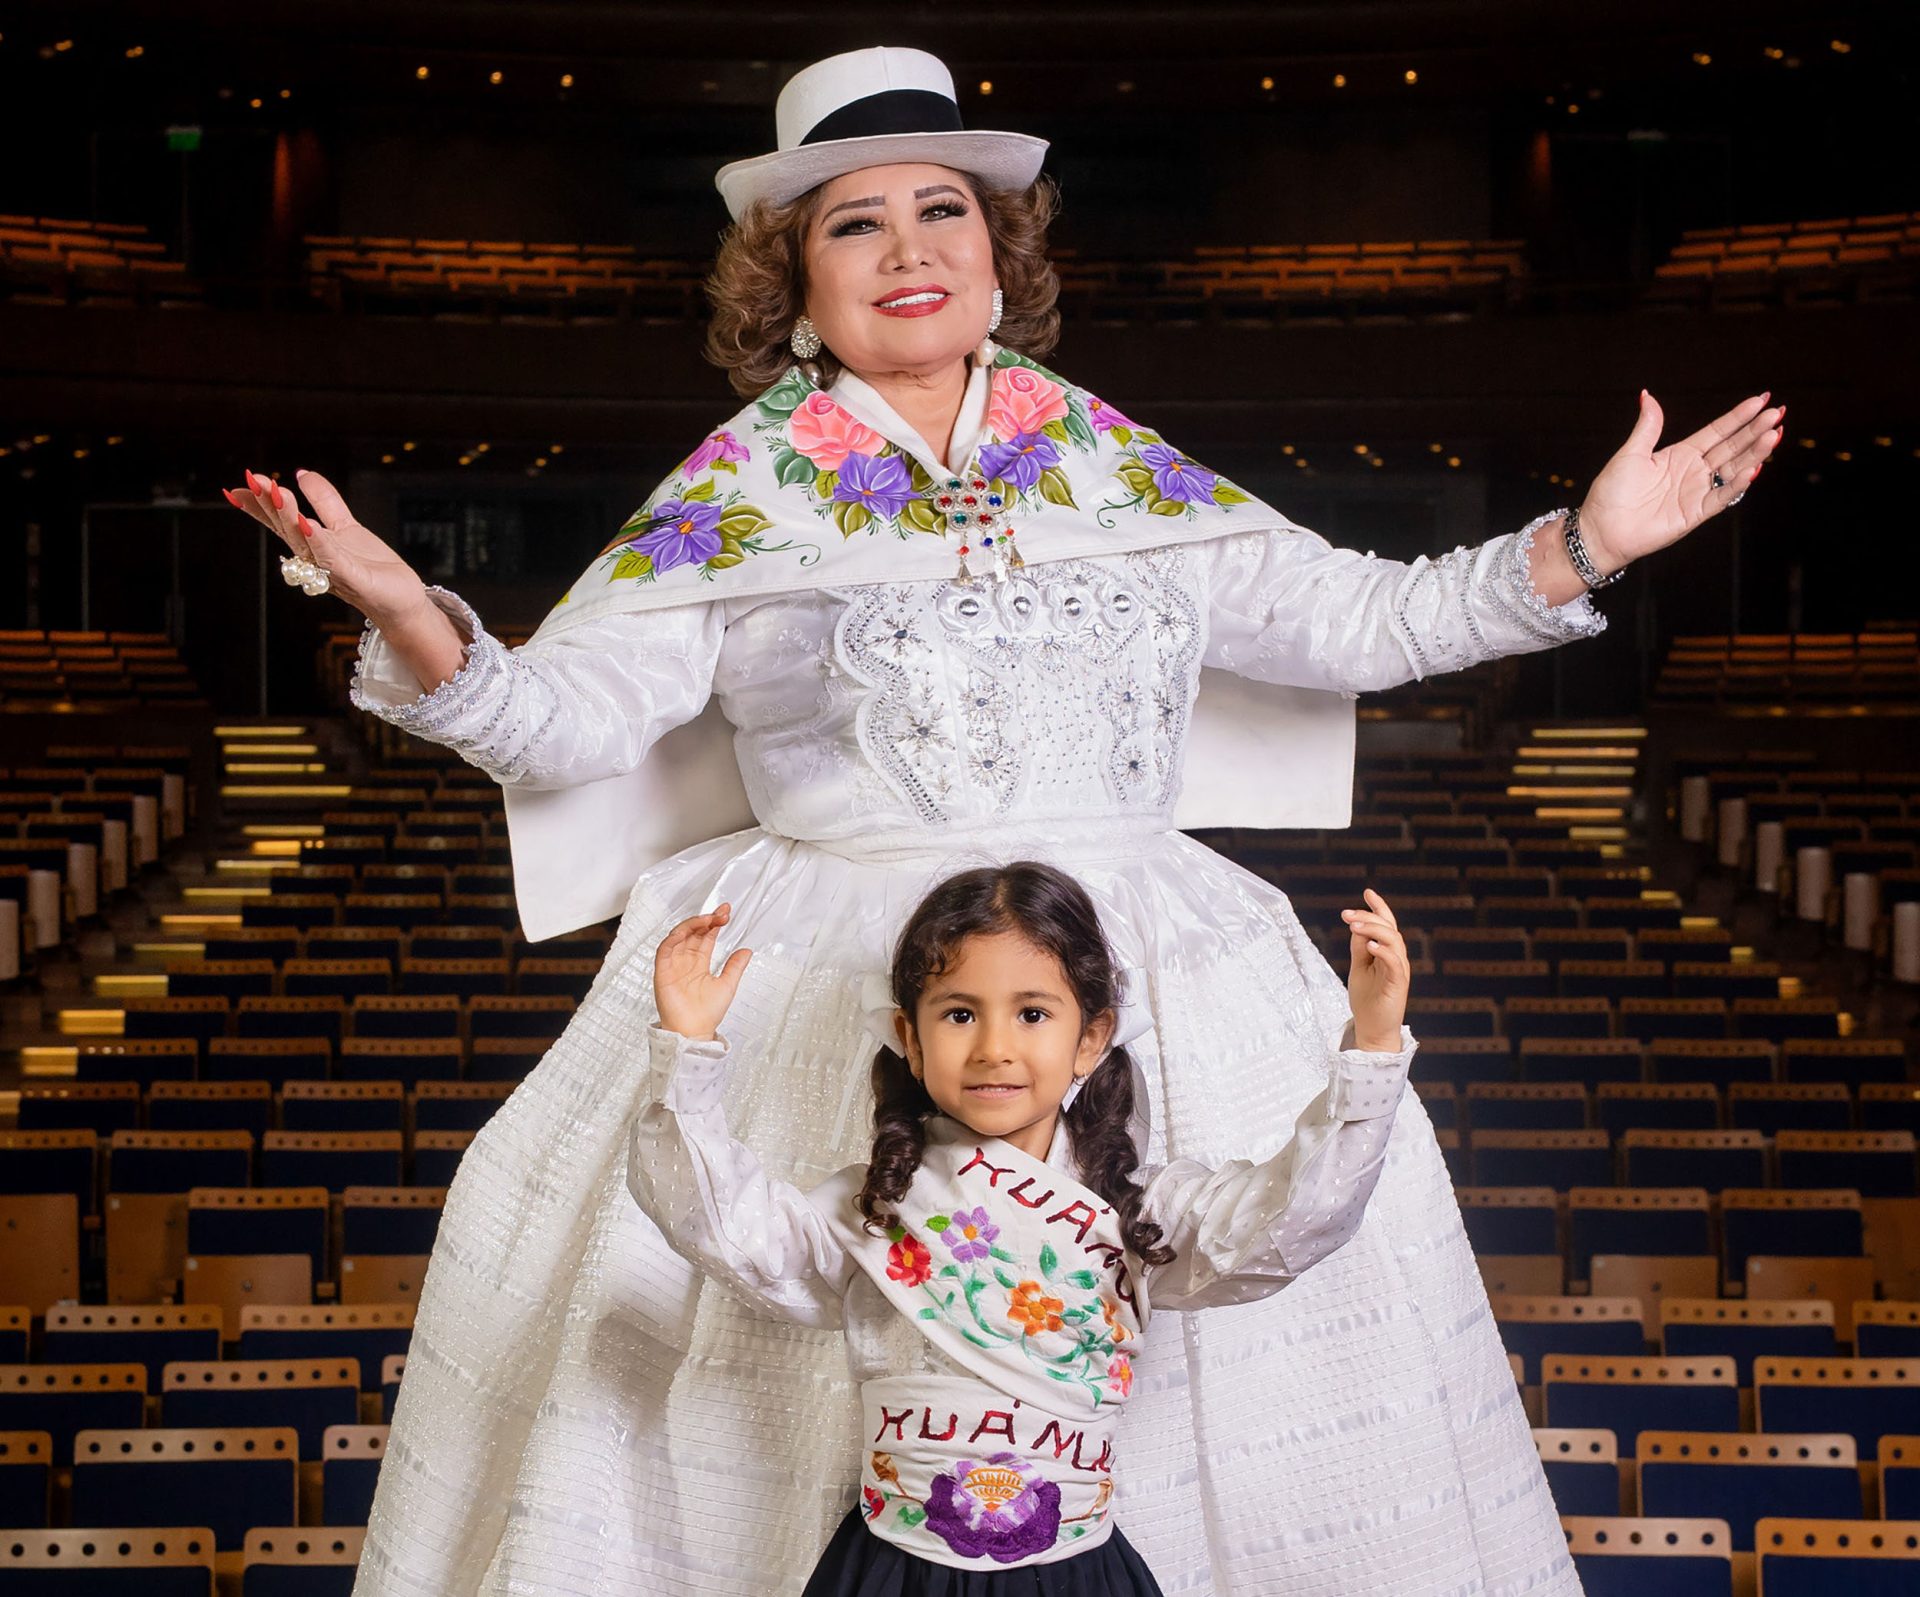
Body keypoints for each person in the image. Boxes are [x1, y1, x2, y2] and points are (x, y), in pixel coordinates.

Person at [220, 44, 1784, 1597]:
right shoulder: (735, 495)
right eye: (855, 222)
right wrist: (405, 611)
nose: (910, 250)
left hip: (1149, 974)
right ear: (791, 279)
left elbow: (1363, 624)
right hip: (826, 989)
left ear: (998, 250)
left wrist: (1589, 542)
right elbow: (555, 724)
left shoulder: (1113, 466)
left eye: (943, 212)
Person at [633, 863, 1416, 1594]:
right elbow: (732, 1231)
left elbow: (1290, 1222)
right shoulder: (872, 1205)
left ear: (1090, 1036)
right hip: (895, 1565)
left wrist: (1374, 1048)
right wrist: (689, 1052)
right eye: (960, 1012)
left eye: (1033, 1012)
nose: (994, 1047)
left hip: (1075, 1568)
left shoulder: (1141, 1215)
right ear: (910, 1036)